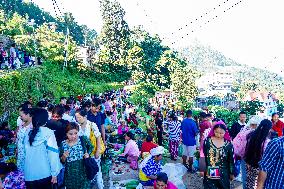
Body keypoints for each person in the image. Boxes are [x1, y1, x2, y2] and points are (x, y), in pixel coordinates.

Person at [24, 108, 61, 189]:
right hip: (44, 174)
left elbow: (24, 154)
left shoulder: (27, 133)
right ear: (45, 120)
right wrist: (54, 174)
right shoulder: (49, 132)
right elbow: (53, 154)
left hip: (28, 176)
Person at [75, 109, 104, 189]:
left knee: (97, 170)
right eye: (76, 117)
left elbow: (98, 137)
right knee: (87, 170)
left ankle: (100, 186)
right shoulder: (77, 126)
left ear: (85, 117)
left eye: (79, 117)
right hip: (84, 154)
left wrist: (98, 151)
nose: (78, 119)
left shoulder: (92, 125)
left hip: (94, 152)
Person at [59, 122, 93, 189]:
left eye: (76, 133)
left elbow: (91, 147)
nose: (74, 136)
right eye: (70, 134)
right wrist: (64, 157)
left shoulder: (83, 139)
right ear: (66, 134)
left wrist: (88, 154)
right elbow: (62, 161)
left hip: (83, 173)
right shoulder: (63, 144)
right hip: (70, 176)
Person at [232, 115, 263, 189]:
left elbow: (236, 145)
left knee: (246, 177)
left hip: (244, 157)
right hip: (252, 159)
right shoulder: (256, 134)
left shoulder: (244, 131)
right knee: (253, 178)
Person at [203, 123, 234, 189]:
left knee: (223, 186)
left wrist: (232, 173)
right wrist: (202, 169)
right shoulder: (208, 141)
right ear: (213, 130)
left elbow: (231, 159)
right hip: (211, 169)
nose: (219, 135)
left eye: (221, 133)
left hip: (223, 171)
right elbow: (202, 154)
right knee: (211, 186)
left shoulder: (228, 144)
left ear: (225, 132)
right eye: (216, 132)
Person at [243, 119, 272, 189]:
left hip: (249, 163)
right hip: (260, 168)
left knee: (249, 183)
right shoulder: (267, 141)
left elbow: (247, 149)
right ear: (268, 129)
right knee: (258, 185)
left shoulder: (252, 135)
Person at [16, 107, 32, 172]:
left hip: (27, 156)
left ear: (28, 114)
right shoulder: (22, 125)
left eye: (21, 116)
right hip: (20, 154)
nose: (20, 118)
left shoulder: (32, 127)